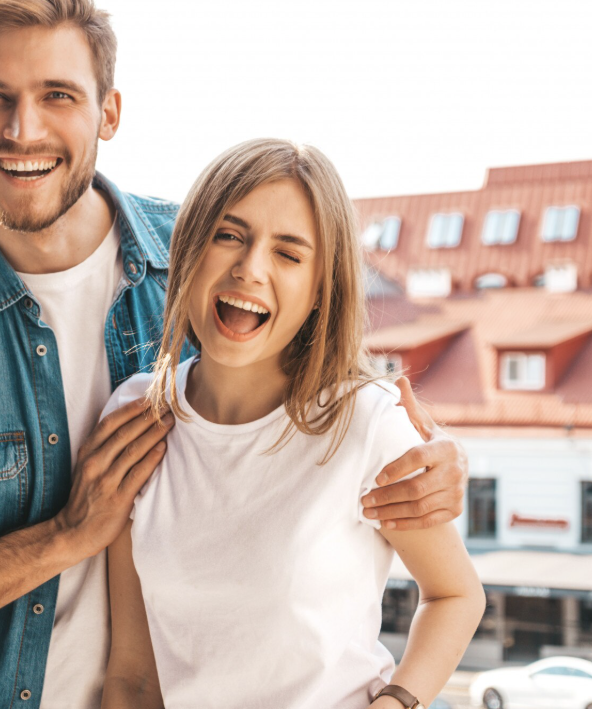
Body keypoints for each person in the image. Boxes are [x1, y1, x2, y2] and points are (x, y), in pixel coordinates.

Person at [0, 0, 470, 709]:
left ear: (108, 112)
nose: (24, 129)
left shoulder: (210, 255)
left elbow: (329, 391)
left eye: (58, 94)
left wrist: (437, 462)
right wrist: (63, 537)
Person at [101, 139, 486, 709]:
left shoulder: (364, 422)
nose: (250, 268)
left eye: (288, 253)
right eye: (229, 235)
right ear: (187, 252)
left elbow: (456, 595)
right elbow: (132, 673)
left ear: (317, 290)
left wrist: (398, 701)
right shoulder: (137, 414)